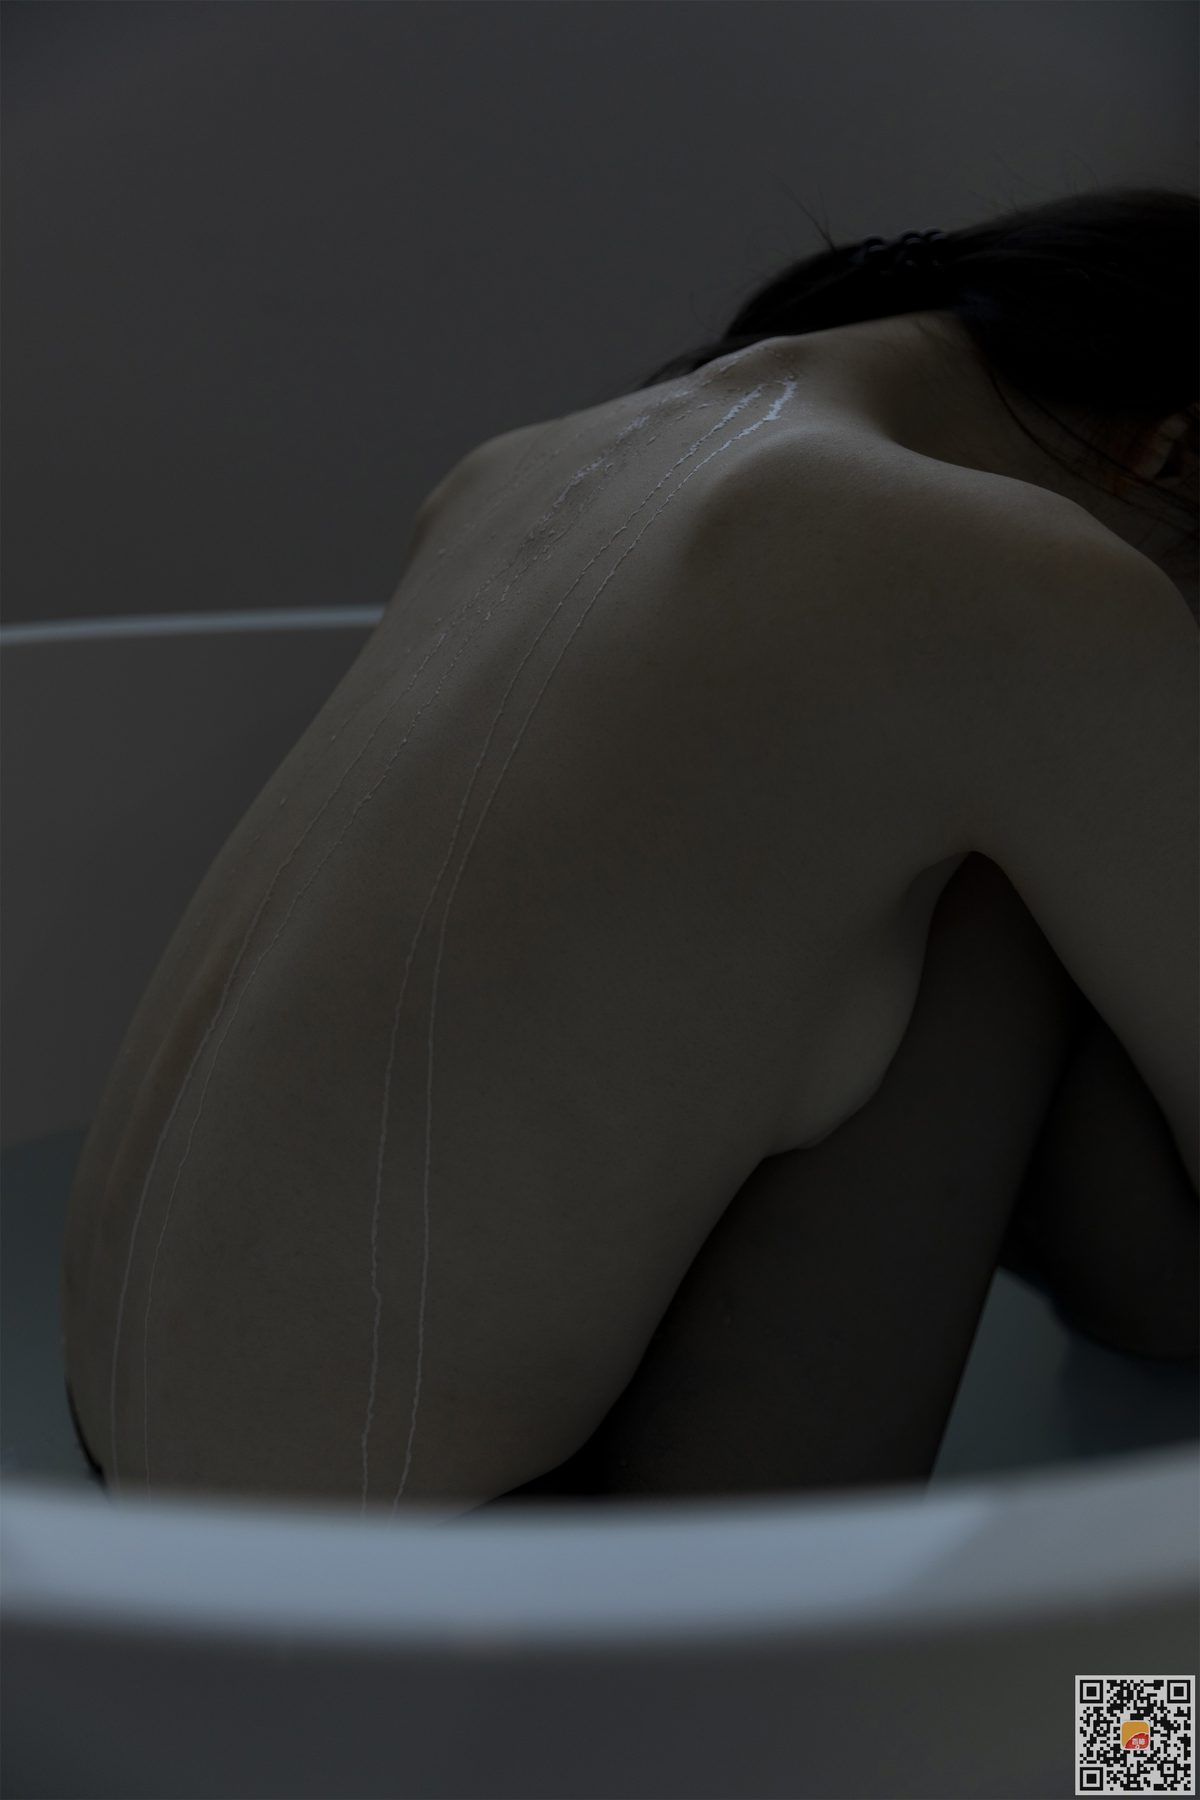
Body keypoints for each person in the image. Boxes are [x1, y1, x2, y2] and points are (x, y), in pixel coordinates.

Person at [62, 187, 1198, 1515]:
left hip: (129, 1515)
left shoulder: (519, 469)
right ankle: (1114, 1643)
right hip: (467, 1598)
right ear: (1173, 446)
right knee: (1011, 898)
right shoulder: (1032, 585)